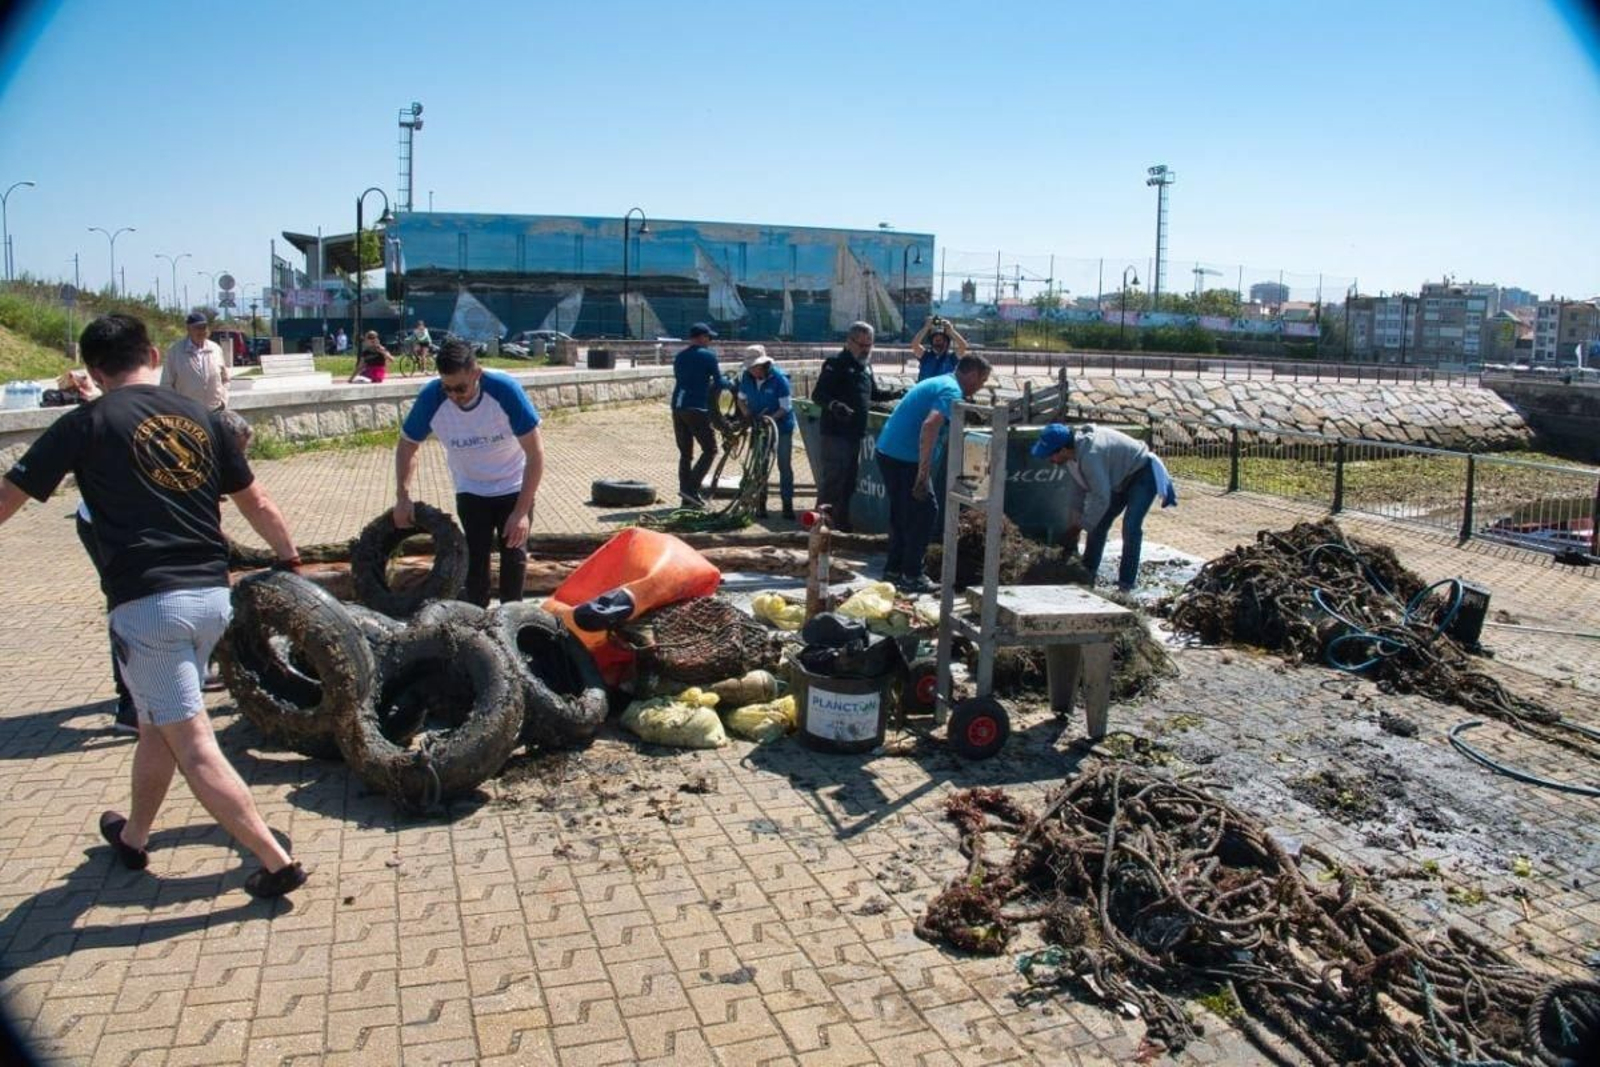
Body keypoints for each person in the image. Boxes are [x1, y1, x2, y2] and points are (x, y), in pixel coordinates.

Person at [0, 313, 307, 897]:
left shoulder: (85, 422)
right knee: (154, 724)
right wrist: (289, 557)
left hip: (148, 607)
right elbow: (256, 499)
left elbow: (8, 496)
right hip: (211, 599)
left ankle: (275, 861)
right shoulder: (202, 418)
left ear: (92, 370)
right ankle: (135, 837)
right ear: (149, 353)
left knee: (192, 744)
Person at [394, 340, 545, 607]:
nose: (454, 395)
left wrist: (521, 513)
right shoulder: (432, 397)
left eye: (461, 388)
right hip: (471, 488)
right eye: (447, 388)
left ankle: (514, 619)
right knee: (476, 560)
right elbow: (408, 445)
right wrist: (402, 496)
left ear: (477, 373)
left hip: (513, 485)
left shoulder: (505, 391)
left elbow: (535, 455)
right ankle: (477, 621)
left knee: (514, 557)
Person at [873, 354, 993, 592]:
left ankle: (893, 569)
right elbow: (930, 426)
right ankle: (912, 575)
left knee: (902, 513)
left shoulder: (941, 381)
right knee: (926, 511)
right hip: (905, 458)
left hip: (888, 451)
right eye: (982, 380)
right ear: (972, 374)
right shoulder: (951, 391)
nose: (981, 386)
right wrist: (922, 475)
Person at [1030, 423, 1178, 593]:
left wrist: (1080, 526)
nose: (1050, 460)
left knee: (1131, 527)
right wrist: (1073, 524)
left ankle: (1125, 585)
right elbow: (1078, 493)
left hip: (1142, 473)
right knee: (1098, 524)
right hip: (1118, 479)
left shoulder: (1091, 455)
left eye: (1050, 455)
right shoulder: (1072, 459)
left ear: (1063, 449)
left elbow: (1100, 498)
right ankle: (1087, 574)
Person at [811, 321, 898, 531]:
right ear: (849, 342)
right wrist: (835, 405)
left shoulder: (865, 367)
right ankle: (820, 526)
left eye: (870, 345)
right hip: (835, 434)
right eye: (862, 345)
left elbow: (873, 394)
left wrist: (896, 394)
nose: (866, 349)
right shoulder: (835, 363)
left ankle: (841, 524)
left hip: (854, 435)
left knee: (849, 482)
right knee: (833, 482)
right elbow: (818, 395)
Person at [670, 323, 733, 509]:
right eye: (709, 337)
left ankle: (685, 495)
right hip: (696, 407)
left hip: (677, 407)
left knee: (685, 454)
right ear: (702, 337)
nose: (710, 341)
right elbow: (719, 382)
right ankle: (691, 489)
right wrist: (733, 384)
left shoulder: (680, 356)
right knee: (710, 449)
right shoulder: (708, 356)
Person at [736, 345, 796, 520]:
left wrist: (769, 419)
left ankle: (787, 505)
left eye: (754, 367)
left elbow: (785, 407)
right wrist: (748, 414)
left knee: (784, 466)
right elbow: (741, 400)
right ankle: (761, 505)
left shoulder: (780, 380)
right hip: (759, 428)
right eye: (749, 367)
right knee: (760, 466)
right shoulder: (746, 378)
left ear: (763, 365)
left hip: (782, 428)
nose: (752, 370)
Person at [160, 312, 231, 411]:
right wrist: (175, 407)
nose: (201, 331)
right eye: (197, 328)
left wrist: (223, 400)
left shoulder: (215, 349)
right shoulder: (175, 351)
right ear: (188, 329)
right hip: (188, 412)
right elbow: (166, 385)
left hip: (215, 411)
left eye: (204, 327)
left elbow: (225, 379)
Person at [908, 315, 970, 381]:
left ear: (947, 342)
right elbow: (914, 345)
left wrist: (951, 330)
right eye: (936, 339)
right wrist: (926, 327)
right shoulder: (926, 356)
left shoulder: (952, 357)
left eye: (941, 339)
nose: (938, 341)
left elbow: (963, 346)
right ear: (932, 341)